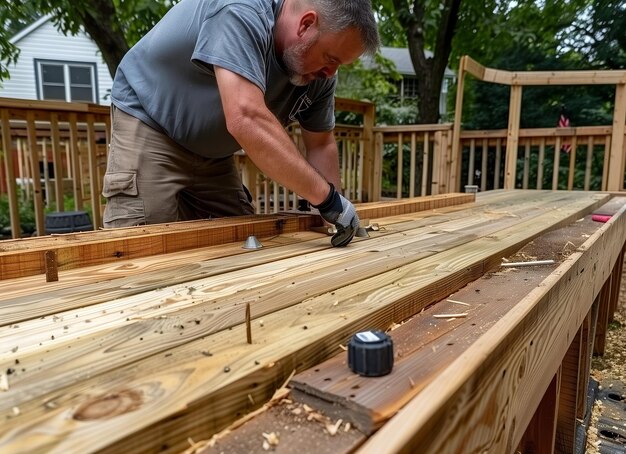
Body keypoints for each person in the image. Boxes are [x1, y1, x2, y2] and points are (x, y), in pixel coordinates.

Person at [102, 0, 380, 247]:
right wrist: (327, 199)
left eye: (340, 64)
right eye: (331, 59)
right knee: (142, 248)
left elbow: (320, 143)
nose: (331, 73)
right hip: (152, 122)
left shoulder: (323, 75)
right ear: (306, 24)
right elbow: (246, 118)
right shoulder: (240, 10)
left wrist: (335, 217)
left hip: (214, 153)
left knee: (246, 244)